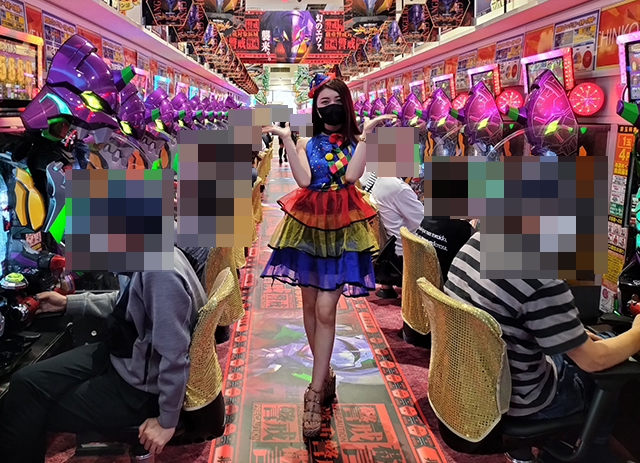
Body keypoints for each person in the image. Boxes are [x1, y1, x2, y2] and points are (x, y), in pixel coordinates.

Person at [261, 74, 393, 438]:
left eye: (336, 101)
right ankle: (325, 373)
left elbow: (351, 177)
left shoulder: (354, 142)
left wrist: (365, 136)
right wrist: (287, 140)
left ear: (345, 104)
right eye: (323, 103)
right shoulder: (307, 142)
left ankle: (314, 393)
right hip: (308, 226)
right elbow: (304, 181)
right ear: (316, 110)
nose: (330, 107)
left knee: (325, 309)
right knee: (309, 306)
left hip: (343, 228)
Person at [444, 231, 640, 461]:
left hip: (471, 386)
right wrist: (637, 332)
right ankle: (593, 453)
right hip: (522, 402)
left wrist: (570, 334)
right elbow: (595, 361)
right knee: (610, 364)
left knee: (601, 341)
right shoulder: (541, 277)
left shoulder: (478, 240)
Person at [0, 247, 207, 462]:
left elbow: (175, 356)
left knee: (29, 411)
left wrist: (167, 421)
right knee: (25, 382)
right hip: (124, 357)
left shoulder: (160, 273)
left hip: (141, 390)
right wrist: (67, 302)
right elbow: (128, 301)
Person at [362, 173, 424, 299]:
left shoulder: (381, 180)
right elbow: (422, 221)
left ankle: (387, 286)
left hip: (387, 246)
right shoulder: (398, 188)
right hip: (401, 250)